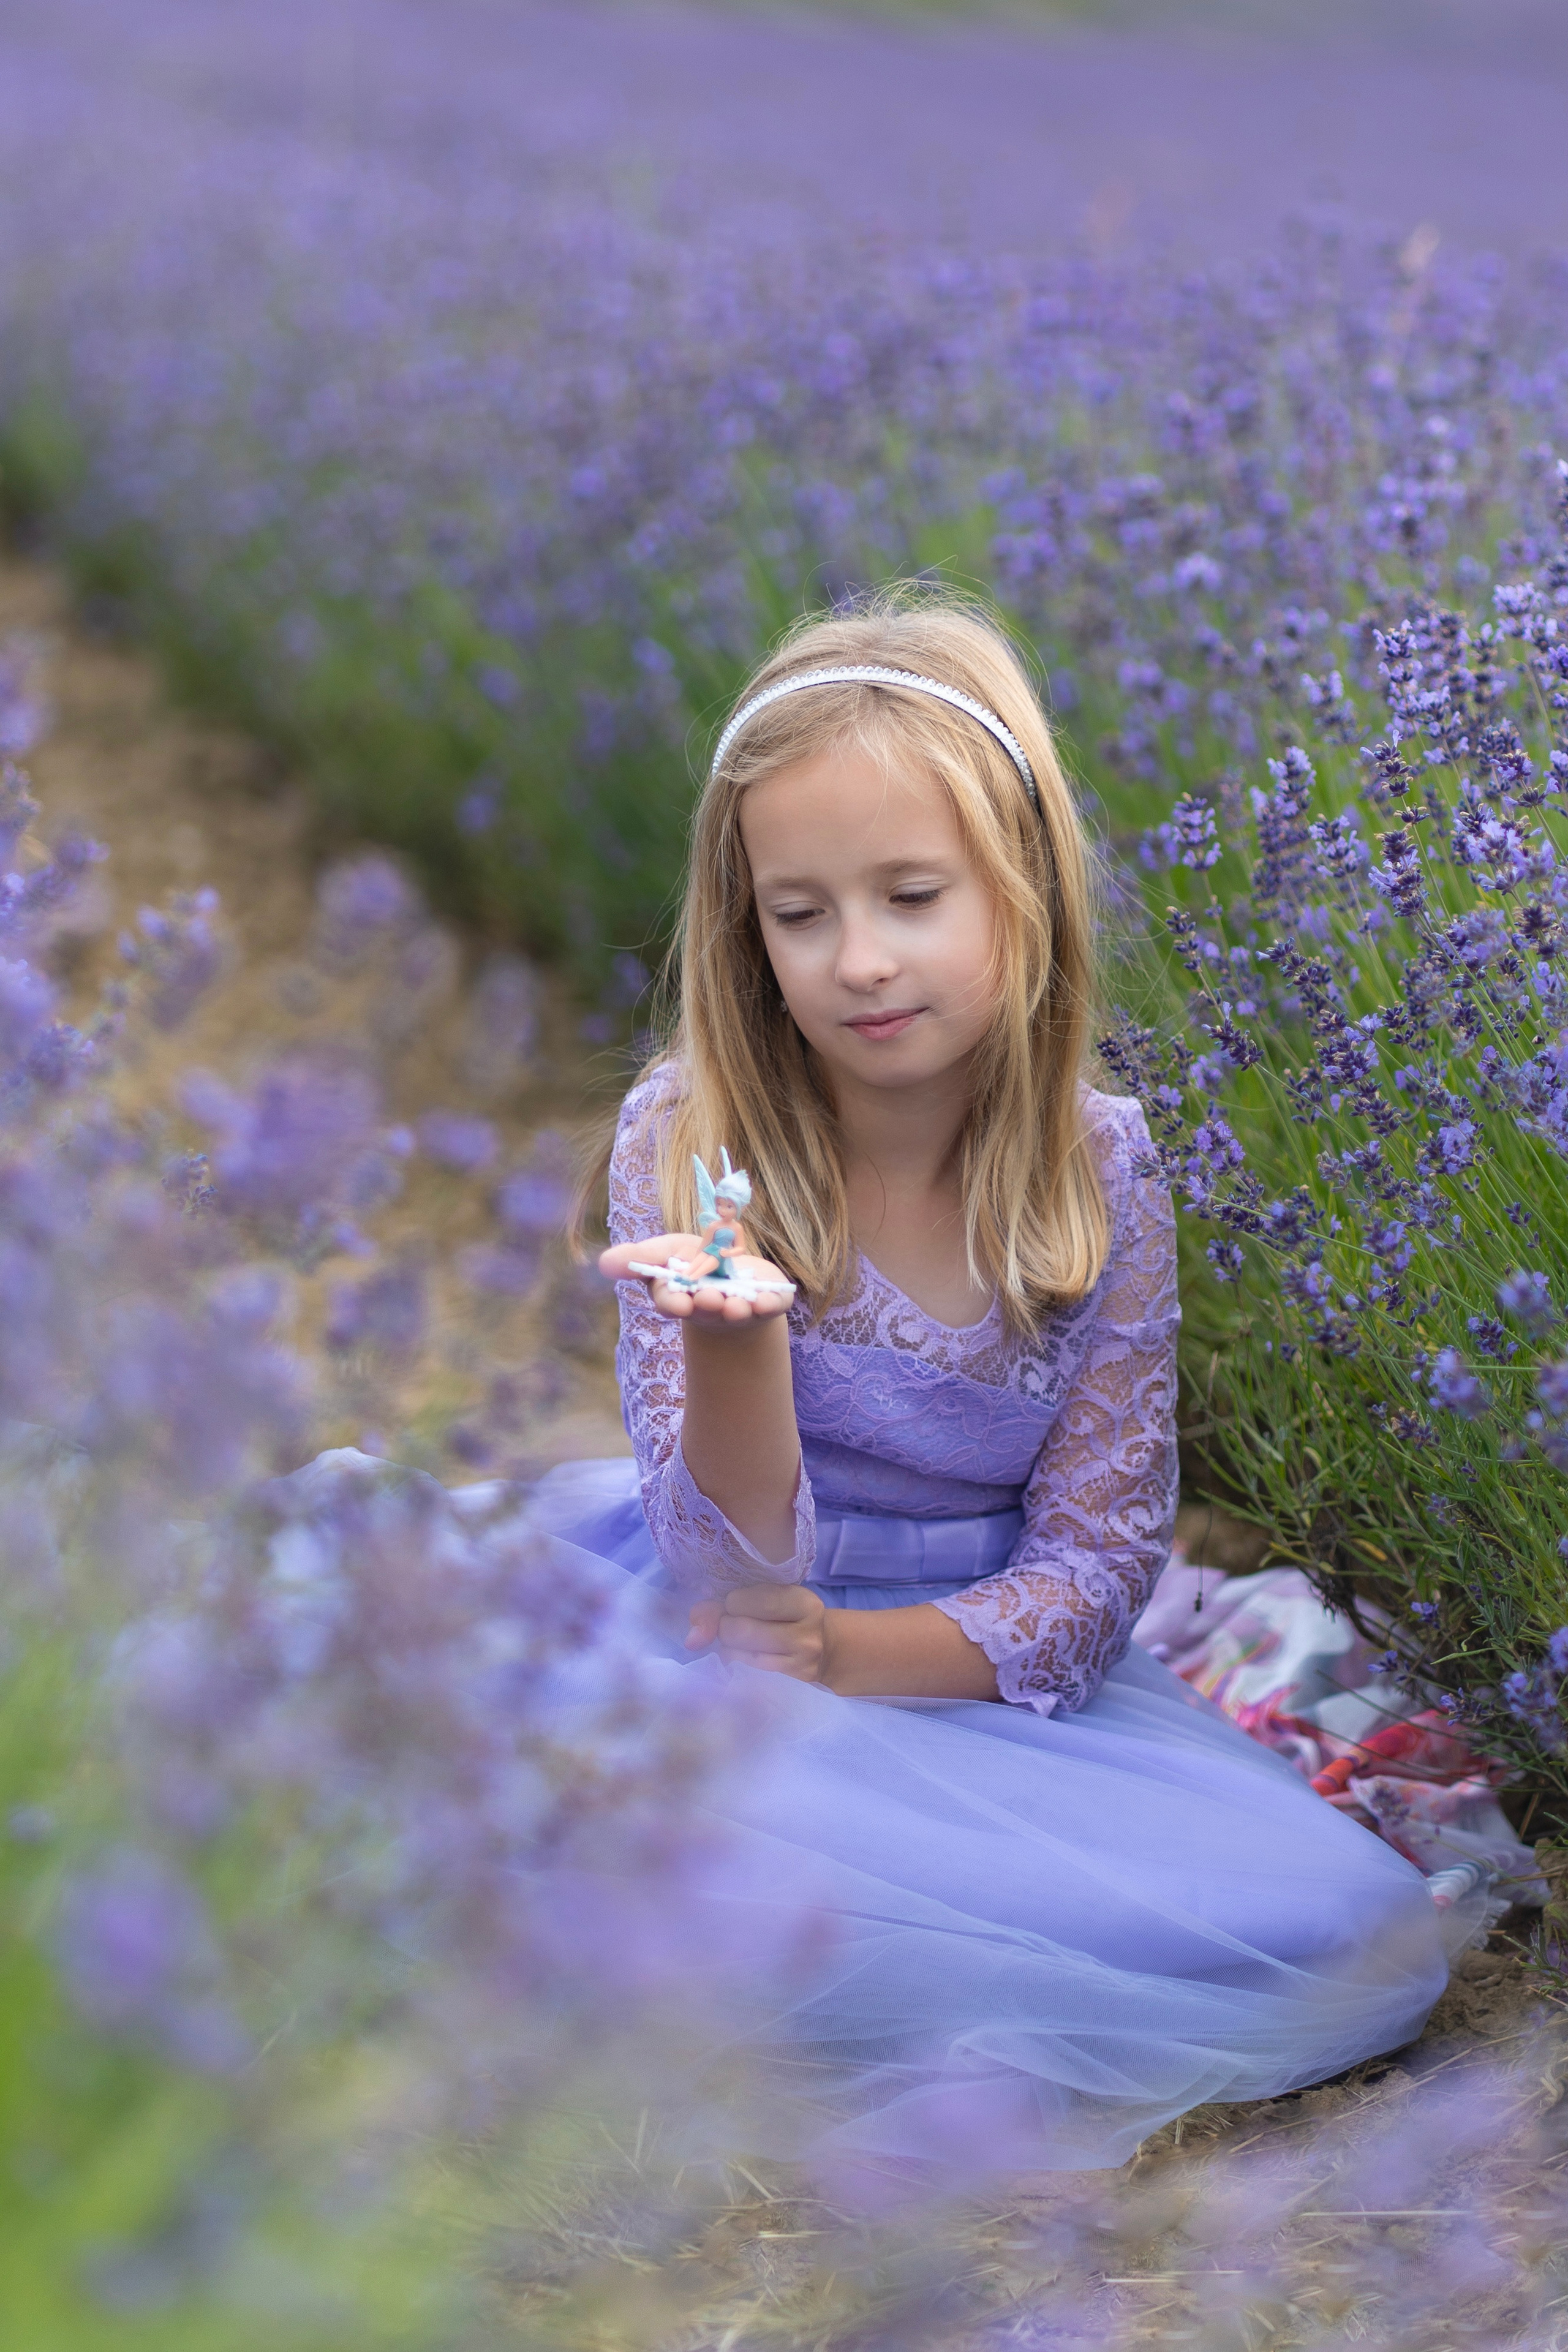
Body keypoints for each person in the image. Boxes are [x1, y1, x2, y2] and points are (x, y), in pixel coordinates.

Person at [543, 587, 1449, 2180]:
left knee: (1351, 1930)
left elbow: (1098, 1568)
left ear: (1020, 891)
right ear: (743, 922)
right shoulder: (687, 1135)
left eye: (910, 895)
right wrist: (739, 1340)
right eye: (799, 912)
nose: (859, 962)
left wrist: (861, 1652)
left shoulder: (1099, 1167)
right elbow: (725, 1575)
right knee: (667, 1847)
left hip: (984, 1675)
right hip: (723, 1655)